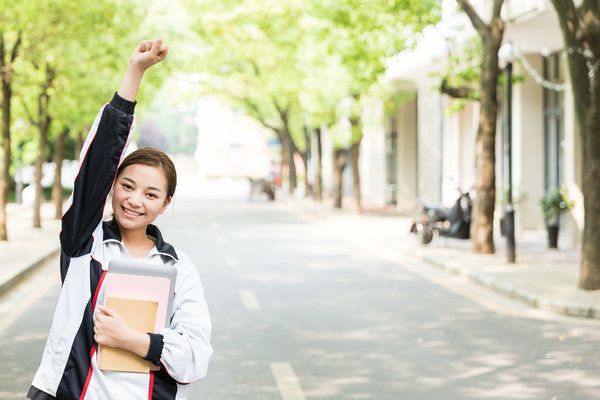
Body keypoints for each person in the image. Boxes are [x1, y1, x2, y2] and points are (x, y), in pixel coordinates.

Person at [27, 40, 213, 400]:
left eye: (151, 194)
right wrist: (135, 72)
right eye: (127, 186)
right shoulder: (86, 244)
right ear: (112, 187)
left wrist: (134, 340)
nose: (135, 199)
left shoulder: (179, 268)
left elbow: (195, 357)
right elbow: (97, 162)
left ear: (165, 204)